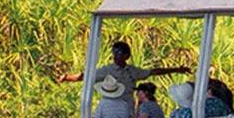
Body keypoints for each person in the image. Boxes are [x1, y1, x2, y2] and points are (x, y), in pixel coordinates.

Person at [62, 40, 190, 89]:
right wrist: (68, 78)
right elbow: (85, 76)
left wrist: (176, 70)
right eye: (114, 53)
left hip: (128, 106)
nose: (115, 56)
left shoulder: (132, 71)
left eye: (119, 53)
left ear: (126, 56)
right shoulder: (107, 70)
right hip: (111, 104)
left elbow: (153, 71)